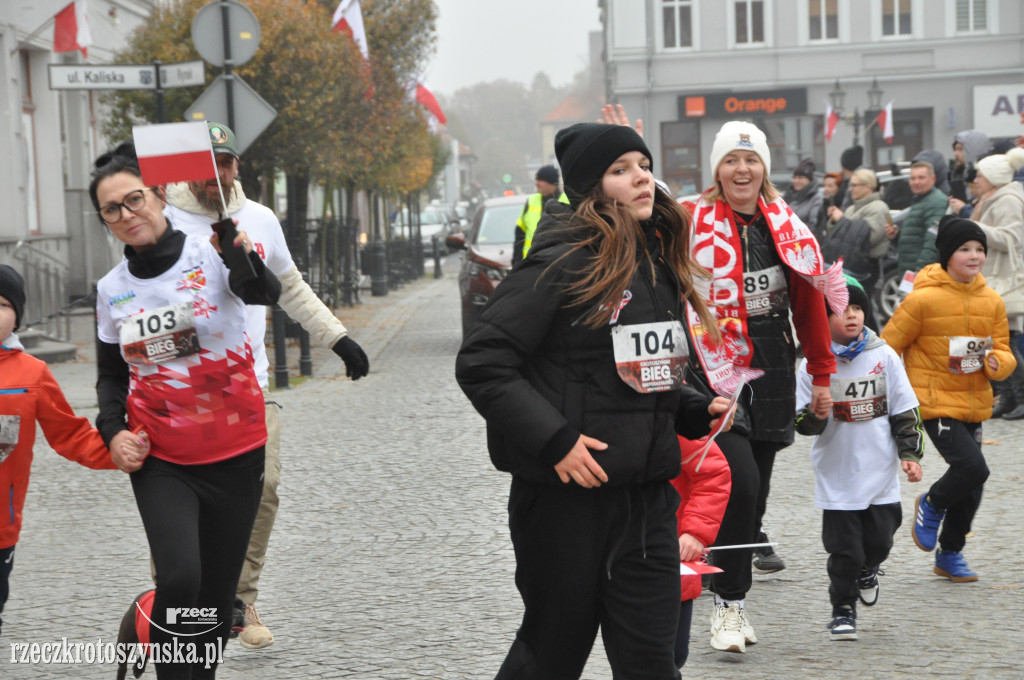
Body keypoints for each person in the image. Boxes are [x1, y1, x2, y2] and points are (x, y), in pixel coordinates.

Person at [456, 121, 734, 679]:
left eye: (645, 166)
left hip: (648, 503)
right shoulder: (558, 262)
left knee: (652, 662)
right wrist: (556, 441)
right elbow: (483, 363)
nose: (642, 179)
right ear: (590, 187)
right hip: (565, 506)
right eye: (620, 170)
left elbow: (628, 370)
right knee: (551, 655)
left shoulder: (654, 260)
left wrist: (690, 404)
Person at [163, 122, 369, 649]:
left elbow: (291, 286)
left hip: (249, 384)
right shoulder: (162, 218)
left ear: (238, 167)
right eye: (206, 163)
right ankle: (184, 606)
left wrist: (338, 339)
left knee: (265, 489)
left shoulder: (258, 218)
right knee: (187, 505)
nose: (217, 173)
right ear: (188, 168)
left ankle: (236, 596)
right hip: (183, 392)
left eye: (226, 162)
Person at [91, 141, 281, 679]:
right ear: (105, 220)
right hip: (163, 455)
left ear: (159, 197)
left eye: (135, 200)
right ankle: (160, 619)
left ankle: (151, 628)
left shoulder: (212, 250)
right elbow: (110, 375)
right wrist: (112, 432)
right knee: (179, 578)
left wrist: (237, 250)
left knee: (216, 603)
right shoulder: (111, 291)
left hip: (237, 448)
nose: (128, 215)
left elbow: (263, 292)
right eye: (113, 209)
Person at [683, 121, 844, 653]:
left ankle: (716, 566)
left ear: (764, 168)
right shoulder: (690, 220)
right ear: (717, 169)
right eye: (731, 160)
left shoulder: (789, 226)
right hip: (714, 365)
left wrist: (821, 376)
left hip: (773, 365)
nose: (741, 169)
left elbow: (810, 305)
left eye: (750, 161)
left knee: (754, 498)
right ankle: (728, 606)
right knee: (740, 480)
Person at [0, 265, 147, 638]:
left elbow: (70, 434)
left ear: (17, 316)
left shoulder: (31, 374)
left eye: (2, 304)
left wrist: (122, 448)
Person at [881, 216, 1016, 583]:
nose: (974, 256)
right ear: (947, 255)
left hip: (972, 402)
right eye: (964, 249)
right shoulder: (922, 300)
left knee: (973, 484)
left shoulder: (991, 301)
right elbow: (888, 346)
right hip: (933, 402)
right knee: (973, 467)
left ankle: (950, 553)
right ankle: (931, 503)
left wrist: (997, 362)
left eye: (979, 250)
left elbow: (1005, 351)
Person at [795, 275, 924, 641]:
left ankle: (870, 569)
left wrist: (910, 453)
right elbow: (801, 423)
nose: (851, 316)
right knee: (844, 551)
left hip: (880, 473)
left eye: (856, 308)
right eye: (839, 310)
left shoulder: (884, 356)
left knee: (880, 542)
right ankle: (842, 609)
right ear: (822, 319)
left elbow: (906, 410)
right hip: (838, 476)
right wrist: (817, 415)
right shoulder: (811, 366)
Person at [949, 147, 1024, 419]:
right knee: (993, 340)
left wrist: (973, 229)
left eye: (980, 175)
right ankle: (1008, 397)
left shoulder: (1007, 199)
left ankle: (1021, 396)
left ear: (993, 176)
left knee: (1006, 341)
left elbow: (1011, 238)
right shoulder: (990, 197)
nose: (975, 179)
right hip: (989, 277)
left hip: (1003, 279)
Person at [671, 437, 730, 665]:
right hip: (604, 558)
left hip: (671, 559)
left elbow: (712, 471)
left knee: (673, 655)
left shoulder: (671, 416)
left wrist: (696, 531)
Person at [823, 168, 892, 327]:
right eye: (850, 185)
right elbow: (838, 234)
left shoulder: (878, 207)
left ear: (868, 187)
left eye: (855, 185)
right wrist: (835, 221)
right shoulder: (852, 208)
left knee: (864, 306)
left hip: (866, 267)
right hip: (849, 265)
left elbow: (870, 238)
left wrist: (842, 221)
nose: (850, 189)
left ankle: (873, 339)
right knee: (850, 306)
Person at [886, 160, 947, 275]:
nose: (916, 182)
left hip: (922, 274)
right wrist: (896, 235)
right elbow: (916, 237)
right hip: (913, 272)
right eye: (912, 178)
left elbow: (933, 240)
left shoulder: (935, 201)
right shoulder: (920, 200)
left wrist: (920, 270)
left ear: (933, 179)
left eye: (921, 178)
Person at [512, 164, 569, 266]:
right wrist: (516, 261)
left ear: (551, 183)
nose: (536, 183)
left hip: (557, 264)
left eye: (540, 180)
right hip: (530, 262)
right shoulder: (531, 201)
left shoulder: (567, 202)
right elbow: (520, 234)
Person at [948, 130, 991, 203]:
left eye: (960, 149)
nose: (955, 154)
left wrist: (963, 209)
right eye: (955, 149)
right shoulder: (957, 175)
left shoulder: (988, 179)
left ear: (973, 150)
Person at [782, 158, 823, 227]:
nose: (796, 181)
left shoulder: (816, 198)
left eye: (800, 178)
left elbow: (814, 224)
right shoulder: (786, 196)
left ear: (809, 180)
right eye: (795, 177)